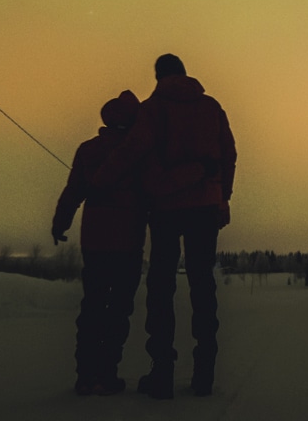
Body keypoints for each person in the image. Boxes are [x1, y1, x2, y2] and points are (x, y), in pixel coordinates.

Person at [94, 53, 237, 399]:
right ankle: (203, 374)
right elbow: (229, 154)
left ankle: (162, 373)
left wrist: (100, 181)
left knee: (161, 289)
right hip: (205, 207)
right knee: (203, 286)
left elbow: (132, 151)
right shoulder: (212, 107)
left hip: (165, 210)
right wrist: (222, 197)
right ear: (185, 74)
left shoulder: (152, 109)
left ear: (158, 76)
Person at [50, 91, 146, 397]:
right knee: (118, 310)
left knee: (92, 306)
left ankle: (85, 376)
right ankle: (107, 375)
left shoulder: (88, 150)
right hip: (128, 242)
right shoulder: (139, 153)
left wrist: (60, 223)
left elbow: (73, 191)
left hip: (94, 240)